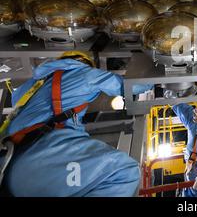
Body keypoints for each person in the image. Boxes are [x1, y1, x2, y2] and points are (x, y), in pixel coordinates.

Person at [0, 51, 140, 197]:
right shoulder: (84, 73)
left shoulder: (32, 86)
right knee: (124, 172)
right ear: (83, 63)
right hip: (39, 157)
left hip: (11, 162)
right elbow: (132, 87)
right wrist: (153, 71)